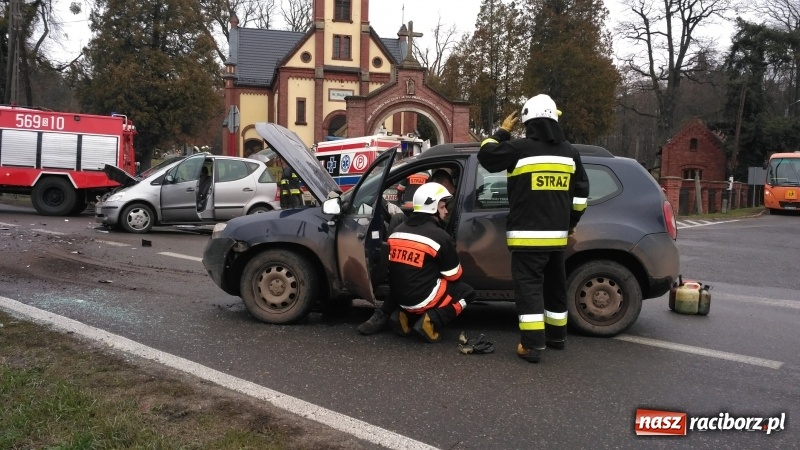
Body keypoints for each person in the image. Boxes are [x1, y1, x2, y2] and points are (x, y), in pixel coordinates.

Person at [477, 94, 589, 363]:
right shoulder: (570, 152)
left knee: (528, 290)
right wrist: (570, 223)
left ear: (528, 121)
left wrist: (502, 132)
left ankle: (532, 345)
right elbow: (581, 195)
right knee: (554, 287)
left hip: (527, 240)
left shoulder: (519, 148)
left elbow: (486, 155)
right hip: (557, 239)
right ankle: (556, 337)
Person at [358, 182, 474, 339]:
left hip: (398, 298)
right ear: (432, 207)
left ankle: (402, 316)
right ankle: (431, 321)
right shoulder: (440, 237)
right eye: (442, 207)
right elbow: (454, 276)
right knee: (467, 292)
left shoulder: (396, 232)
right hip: (422, 299)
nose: (446, 211)